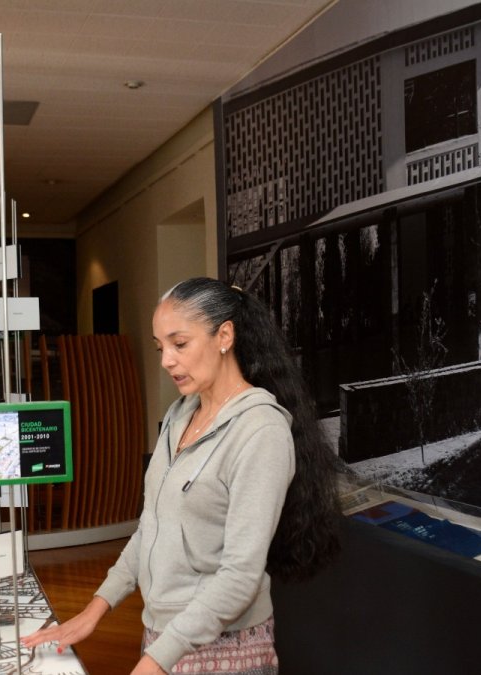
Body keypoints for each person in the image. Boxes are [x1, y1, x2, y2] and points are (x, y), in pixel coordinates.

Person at [22, 276, 342, 674]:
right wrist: (95, 609)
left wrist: (155, 661)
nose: (166, 360)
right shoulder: (179, 414)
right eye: (161, 347)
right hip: (163, 638)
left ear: (224, 335)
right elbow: (150, 528)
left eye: (180, 343)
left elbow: (240, 576)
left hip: (225, 650)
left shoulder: (261, 431)